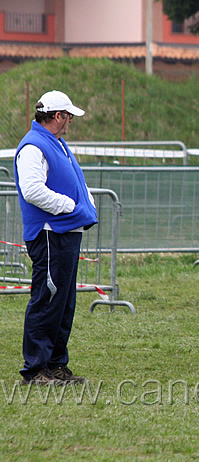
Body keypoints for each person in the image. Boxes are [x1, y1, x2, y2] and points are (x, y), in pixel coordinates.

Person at [14, 90, 98, 386]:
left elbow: (74, 179)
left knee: (63, 303)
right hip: (50, 234)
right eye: (69, 116)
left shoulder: (56, 144)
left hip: (64, 233)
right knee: (47, 300)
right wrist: (70, 207)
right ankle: (36, 370)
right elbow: (32, 190)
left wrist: (85, 204)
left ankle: (55, 364)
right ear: (58, 116)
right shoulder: (34, 146)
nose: (70, 122)